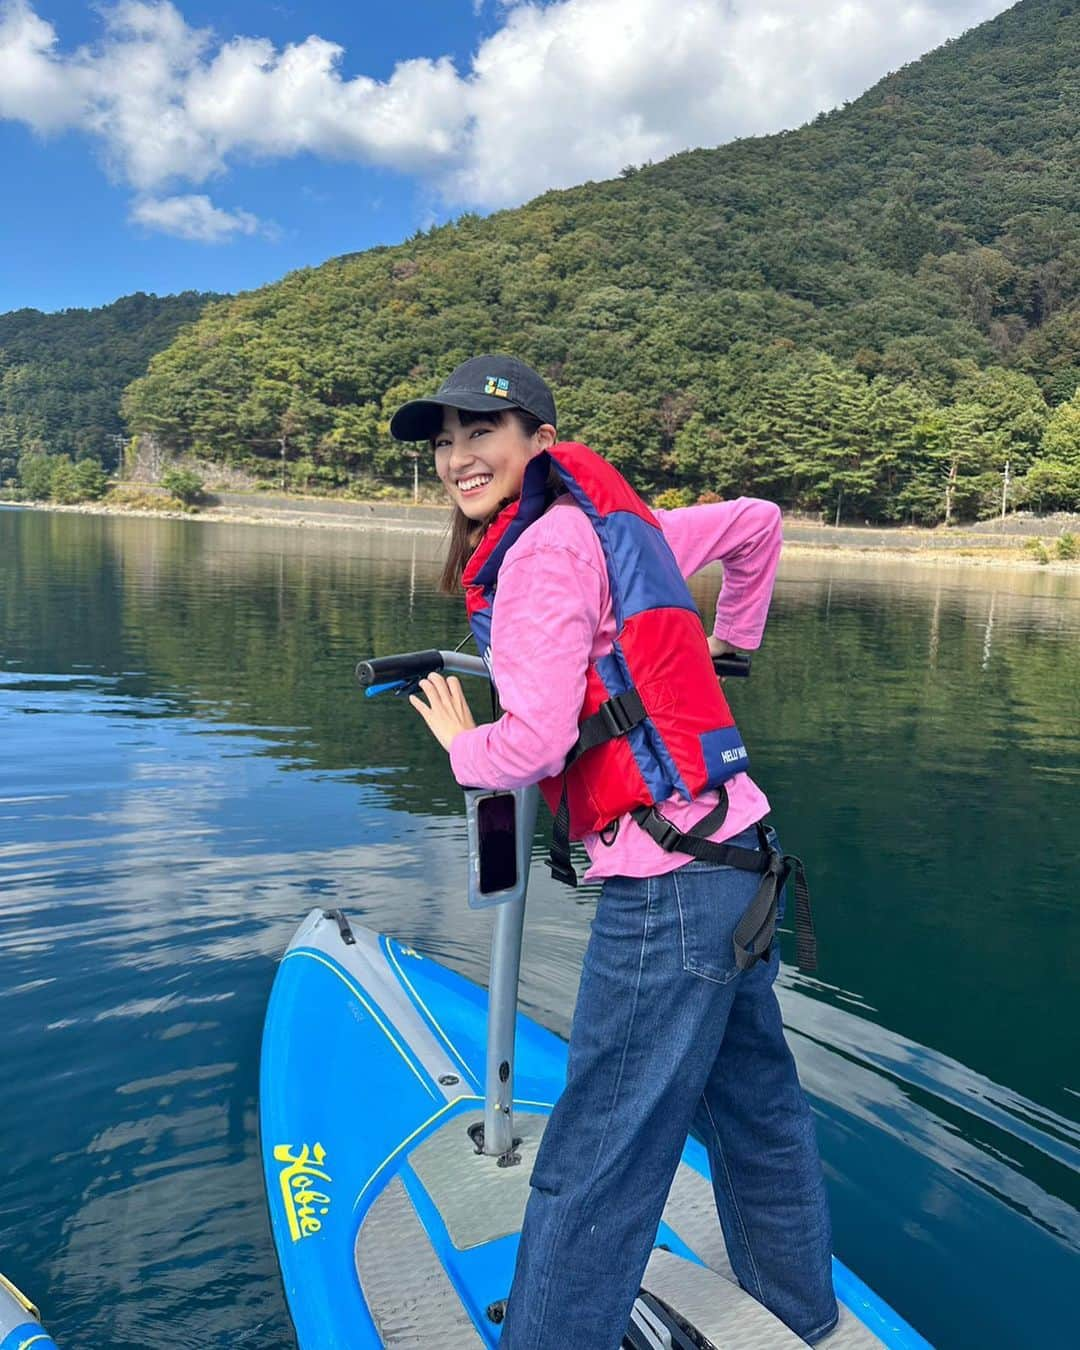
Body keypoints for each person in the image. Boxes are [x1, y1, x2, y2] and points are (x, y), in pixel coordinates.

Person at [389, 355, 838, 1349]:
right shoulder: (625, 528)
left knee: (597, 1154)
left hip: (670, 890)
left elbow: (537, 745)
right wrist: (735, 642)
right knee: (758, 1114)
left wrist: (464, 742)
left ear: (540, 441)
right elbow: (760, 522)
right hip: (741, 861)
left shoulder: (544, 552)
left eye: (482, 434)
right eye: (445, 441)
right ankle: (798, 1312)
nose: (459, 458)